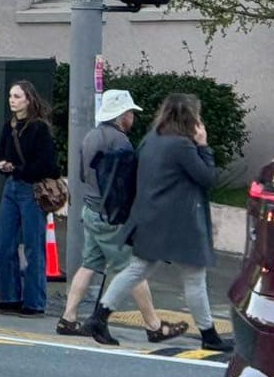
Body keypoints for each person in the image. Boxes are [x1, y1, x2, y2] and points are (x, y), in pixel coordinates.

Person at [89, 94, 232, 352]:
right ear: (191, 117)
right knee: (194, 276)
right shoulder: (182, 146)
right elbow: (208, 178)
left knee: (137, 269)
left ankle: (99, 317)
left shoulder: (151, 140)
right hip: (178, 223)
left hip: (147, 218)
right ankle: (209, 334)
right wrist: (204, 145)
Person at [57, 89, 187, 342]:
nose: (132, 117)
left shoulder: (91, 136)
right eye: (130, 113)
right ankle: (154, 325)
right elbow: (127, 184)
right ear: (120, 115)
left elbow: (85, 175)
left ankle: (68, 318)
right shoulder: (120, 142)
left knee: (89, 265)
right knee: (132, 269)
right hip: (110, 217)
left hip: (91, 209)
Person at [0, 81, 59, 316]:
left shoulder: (39, 129)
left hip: (31, 189)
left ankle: (34, 301)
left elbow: (48, 165)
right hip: (11, 187)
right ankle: (9, 296)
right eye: (11, 95)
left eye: (17, 96)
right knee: (5, 243)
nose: (12, 100)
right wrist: (4, 165)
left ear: (28, 100)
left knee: (33, 245)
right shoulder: (8, 126)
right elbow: (1, 152)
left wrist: (17, 168)